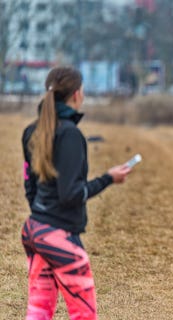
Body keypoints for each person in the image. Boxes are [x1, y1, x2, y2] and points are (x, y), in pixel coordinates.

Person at [20, 66, 132, 320]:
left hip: (34, 231)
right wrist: (108, 179)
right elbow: (70, 194)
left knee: (38, 312)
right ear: (77, 94)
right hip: (58, 237)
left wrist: (42, 219)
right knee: (84, 315)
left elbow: (30, 186)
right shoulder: (70, 134)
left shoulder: (31, 131)